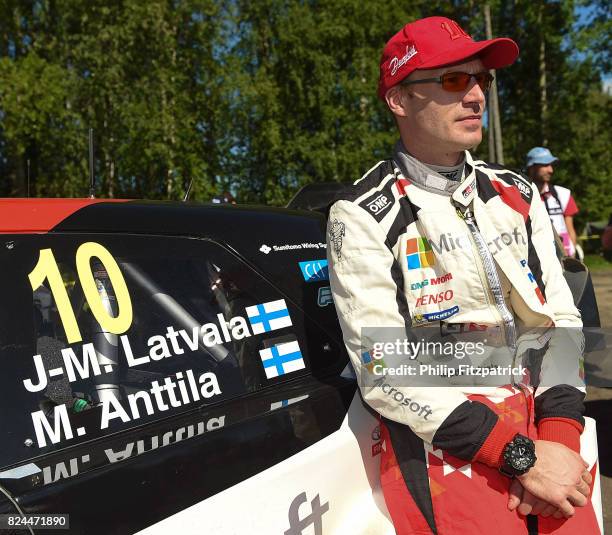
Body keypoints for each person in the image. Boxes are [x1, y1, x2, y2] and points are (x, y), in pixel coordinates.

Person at [326, 16, 598, 535]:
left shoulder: (515, 194)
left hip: (546, 428)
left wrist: (560, 442)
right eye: (453, 80)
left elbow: (559, 319)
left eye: (482, 80)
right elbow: (385, 370)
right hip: (444, 438)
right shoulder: (361, 214)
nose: (476, 95)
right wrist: (522, 459)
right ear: (399, 100)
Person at [526, 147, 580, 258]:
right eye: (545, 165)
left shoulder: (563, 194)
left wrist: (572, 257)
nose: (551, 170)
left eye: (551, 165)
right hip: (536, 260)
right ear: (531, 167)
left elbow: (570, 230)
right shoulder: (519, 196)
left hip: (564, 259)